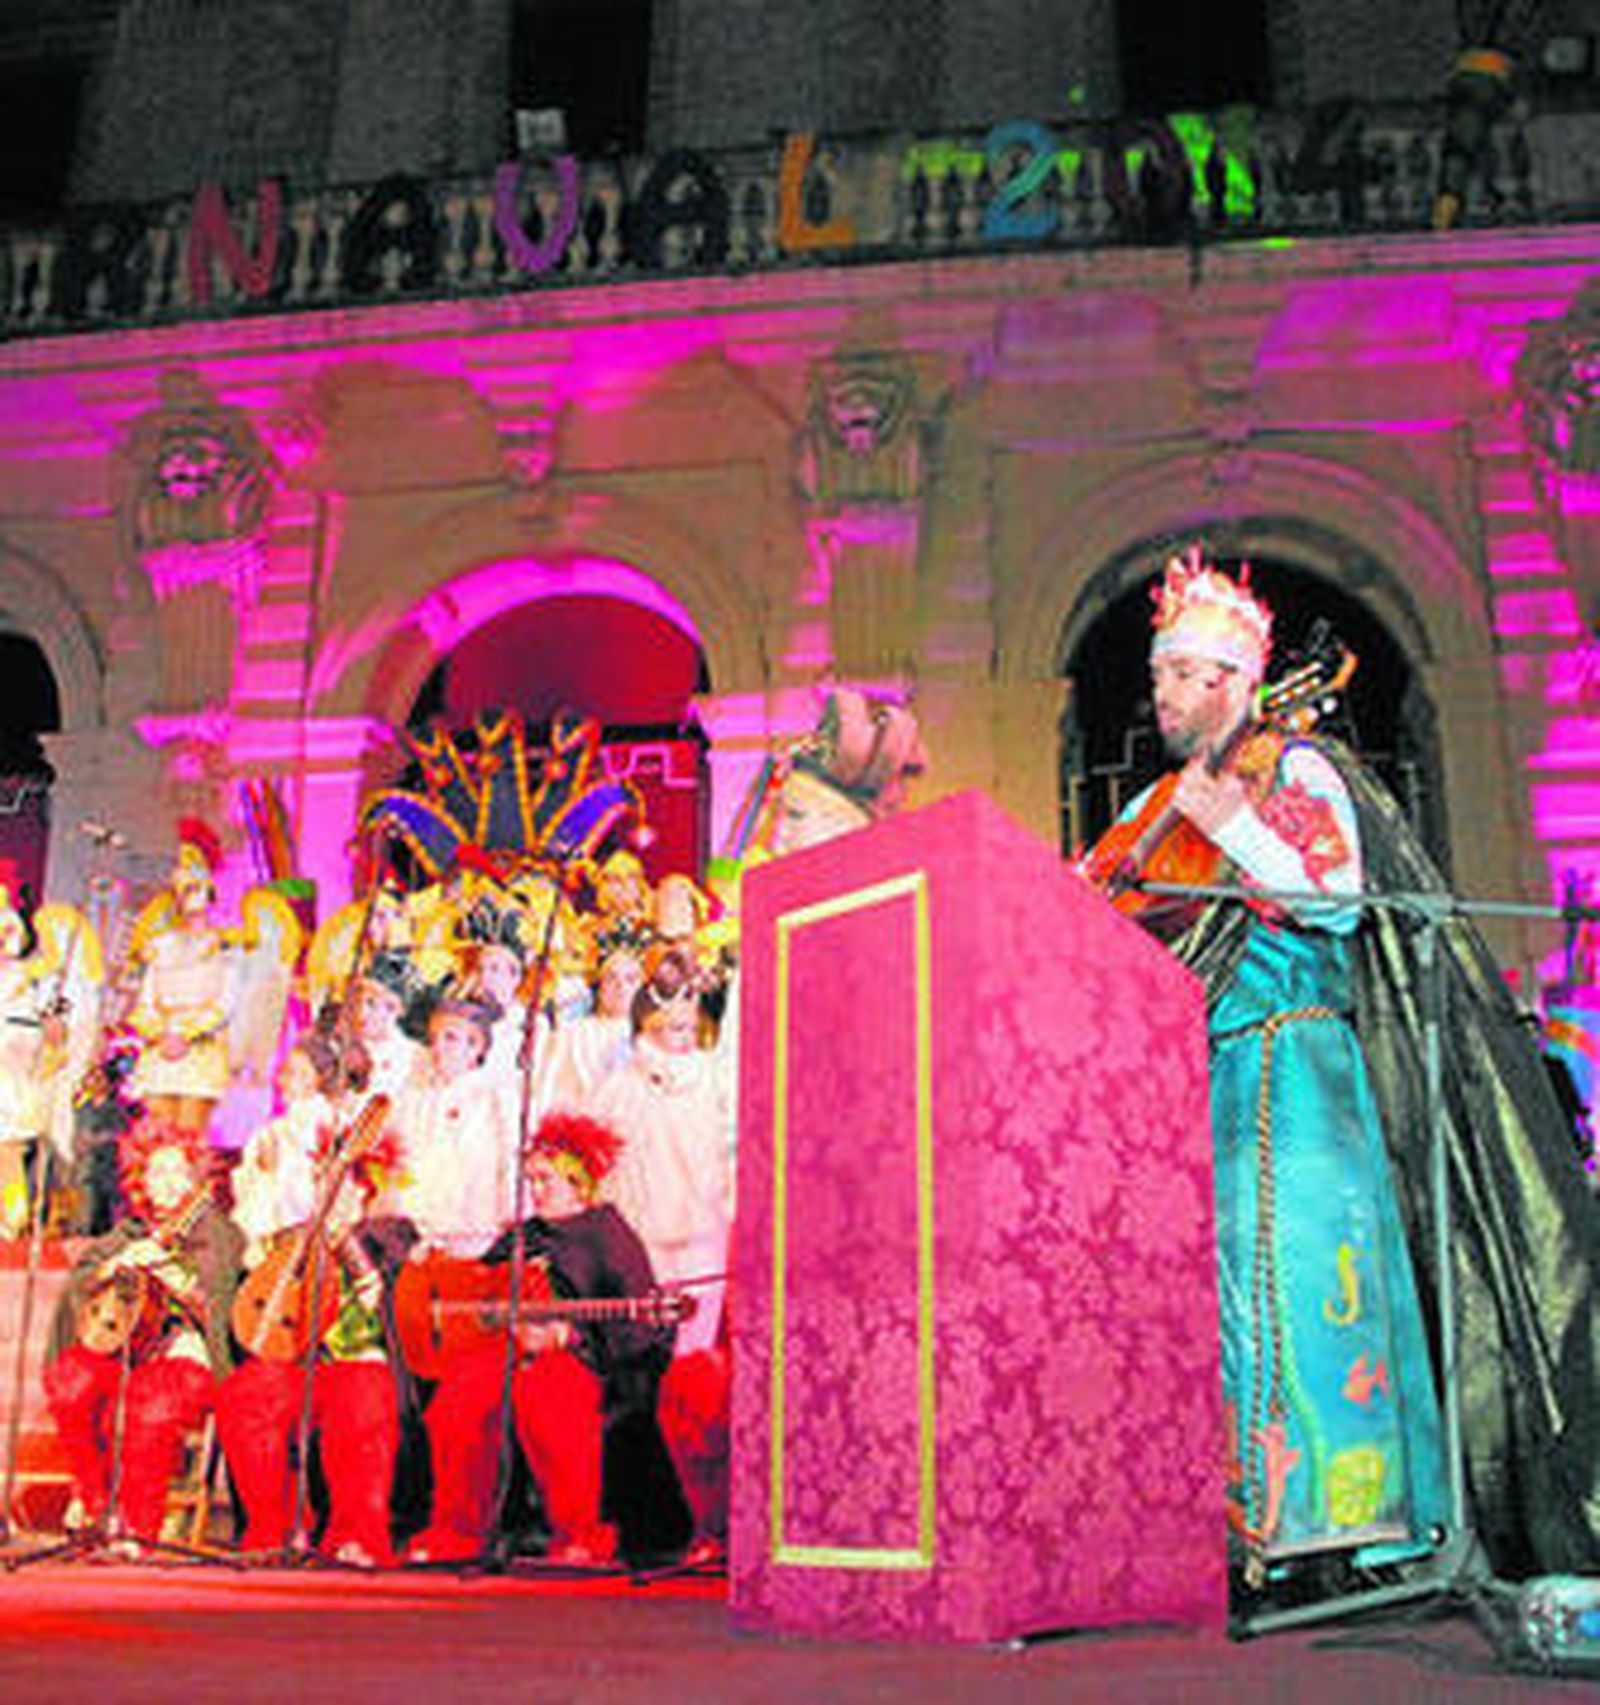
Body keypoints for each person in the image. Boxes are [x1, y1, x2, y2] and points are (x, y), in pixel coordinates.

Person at [1083, 544, 1600, 1596]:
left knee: (1311, 1289)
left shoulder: (1294, 768)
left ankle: (1342, 1531)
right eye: (1158, 674)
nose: (1162, 693)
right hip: (1200, 1075)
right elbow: (1095, 901)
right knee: (1228, 1303)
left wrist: (1232, 823)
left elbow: (1337, 896)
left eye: (1180, 675)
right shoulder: (1158, 802)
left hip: (1296, 1061)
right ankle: (1253, 1531)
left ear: (1233, 681)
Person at [404, 1110, 691, 1568]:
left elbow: (639, 1327)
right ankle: (459, 1530)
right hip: (507, 1353)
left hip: (579, 1364)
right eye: (531, 1180)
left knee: (550, 1395)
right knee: (458, 1398)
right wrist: (434, 1268)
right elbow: (479, 1288)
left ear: (578, 1182)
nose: (536, 1190)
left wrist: (570, 1336)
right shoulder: (524, 1236)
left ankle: (580, 1533)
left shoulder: (609, 1236)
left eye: (546, 1180)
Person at [217, 1048, 412, 1568]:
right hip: (295, 1360)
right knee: (244, 1398)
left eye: (342, 1178)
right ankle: (274, 1526)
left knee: (362, 1405)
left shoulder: (388, 1233)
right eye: (323, 1176)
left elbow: (382, 1302)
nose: (331, 1185)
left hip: (355, 1363)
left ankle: (358, 1533)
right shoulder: (295, 1233)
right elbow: (262, 1293)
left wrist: (348, 1241)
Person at [43, 1111, 241, 1547]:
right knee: (70, 1380)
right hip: (126, 1354)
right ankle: (96, 1501)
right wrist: (112, 1267)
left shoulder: (218, 1233)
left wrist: (175, 1279)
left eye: (178, 1171)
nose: (167, 1181)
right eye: (157, 1171)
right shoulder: (129, 1233)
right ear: (141, 1180)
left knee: (149, 1399)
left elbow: (225, 1302)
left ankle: (138, 1527)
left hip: (183, 1357)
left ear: (195, 1177)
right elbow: (82, 1285)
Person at [586, 949, 734, 1358]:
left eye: (690, 1028)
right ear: (648, 1029)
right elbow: (594, 1155)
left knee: (694, 1338)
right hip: (639, 1232)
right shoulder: (618, 1088)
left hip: (700, 1230)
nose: (685, 1038)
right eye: (673, 1028)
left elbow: (733, 1145)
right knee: (643, 1342)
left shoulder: (715, 1080)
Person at [389, 992, 518, 1257]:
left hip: (473, 1233)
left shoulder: (495, 1099)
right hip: (417, 1232)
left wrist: (509, 1219)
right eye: (434, 1038)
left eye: (449, 1038)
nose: (438, 1048)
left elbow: (509, 1163)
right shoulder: (412, 1096)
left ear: (476, 1047)